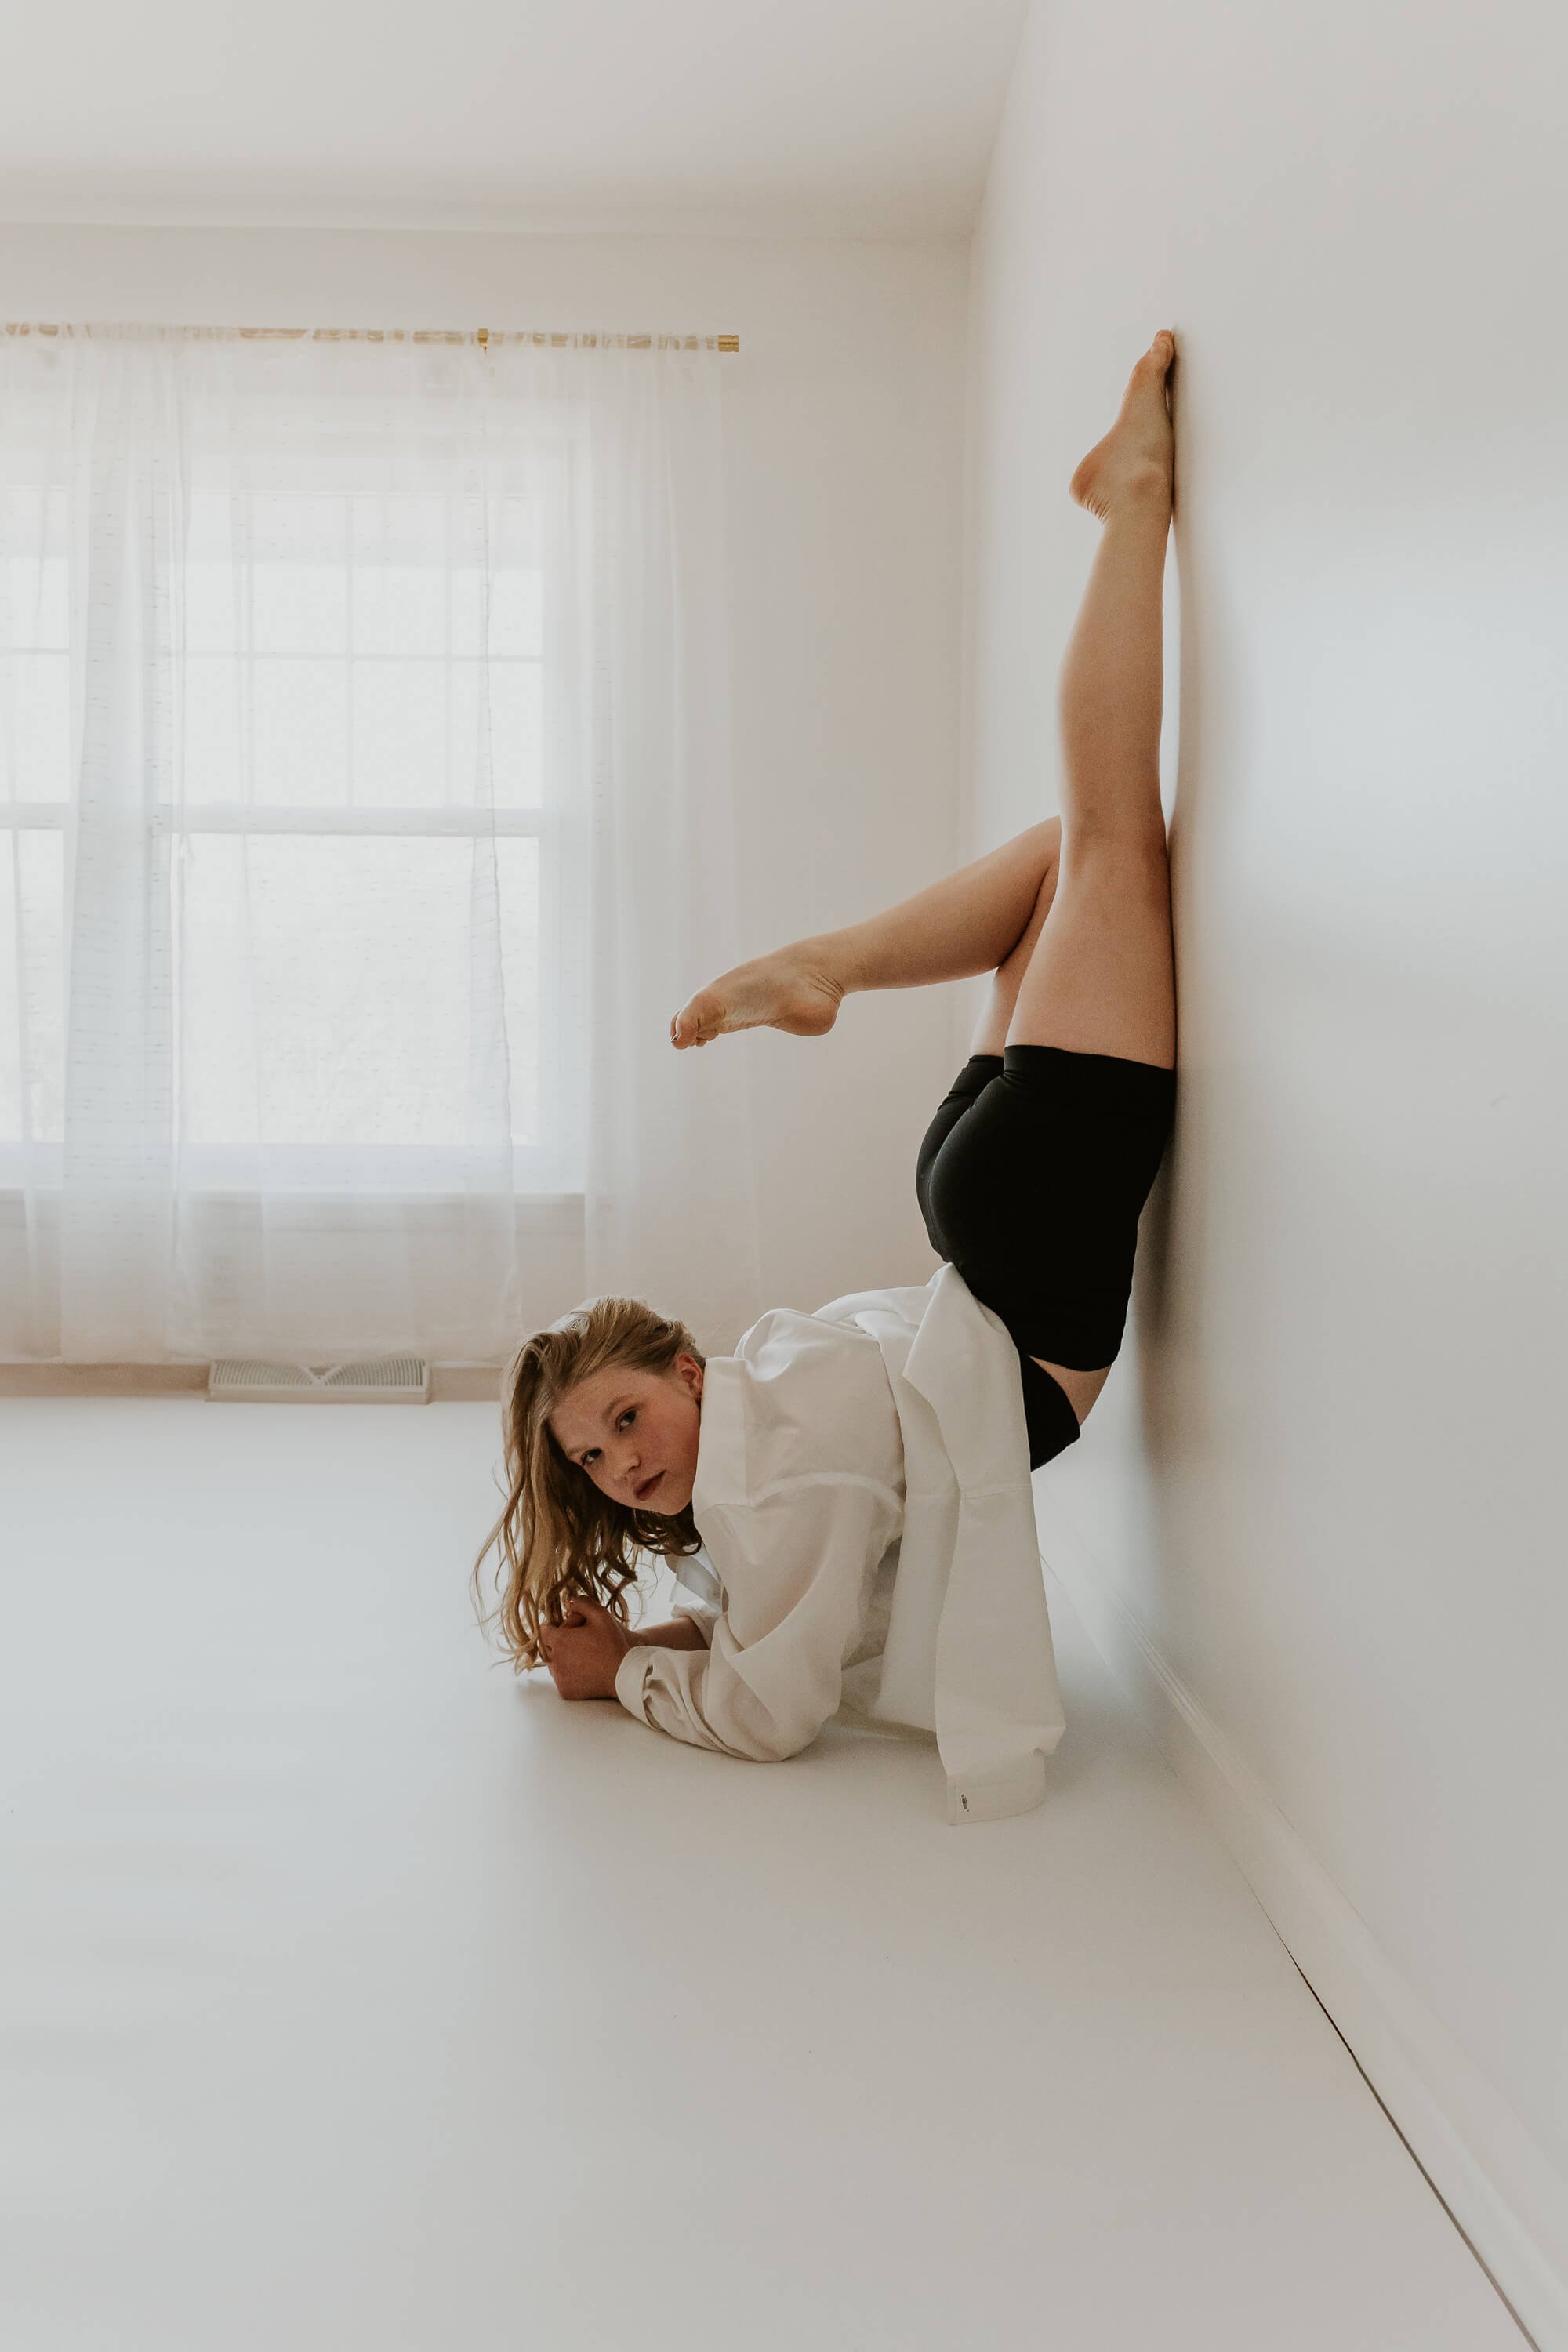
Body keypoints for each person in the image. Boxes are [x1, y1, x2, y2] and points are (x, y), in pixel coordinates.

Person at [472, 331, 1180, 1823]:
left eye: (620, 1419)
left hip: (1016, 1273)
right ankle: (830, 966)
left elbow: (770, 1712)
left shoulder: (766, 1490)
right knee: (1071, 856)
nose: (618, 1463)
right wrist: (677, 1624)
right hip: (967, 1239)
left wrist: (630, 1679)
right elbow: (795, 1606)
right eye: (594, 1458)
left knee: (1106, 833)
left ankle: (1134, 506)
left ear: (684, 1370)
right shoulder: (757, 1435)